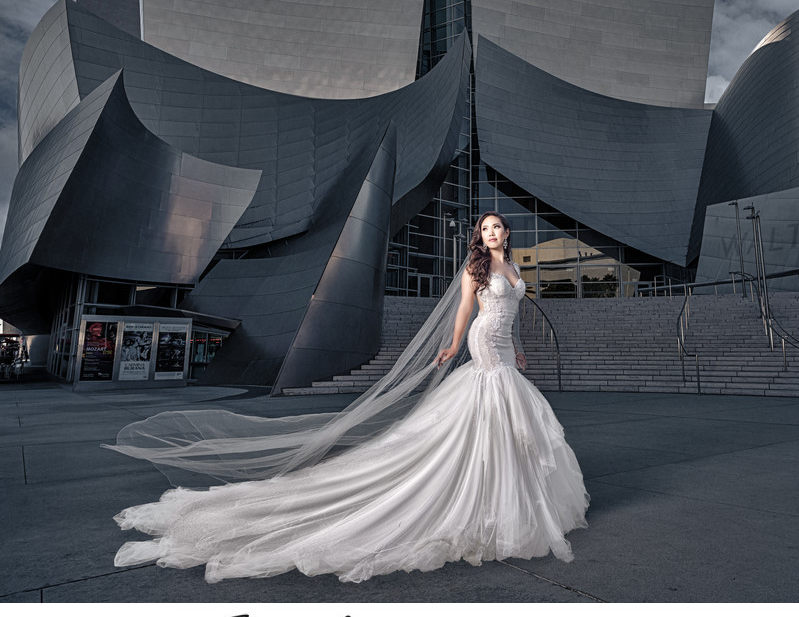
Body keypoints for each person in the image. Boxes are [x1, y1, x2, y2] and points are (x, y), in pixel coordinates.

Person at [106, 211, 589, 583]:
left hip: (506, 349)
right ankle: (481, 498)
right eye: (485, 228)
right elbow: (467, 312)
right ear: (478, 236)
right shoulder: (476, 268)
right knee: (490, 415)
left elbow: (515, 318)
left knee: (514, 425)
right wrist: (451, 344)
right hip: (484, 347)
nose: (492, 233)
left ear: (507, 235)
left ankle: (508, 498)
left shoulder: (514, 265)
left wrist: (519, 349)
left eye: (498, 228)